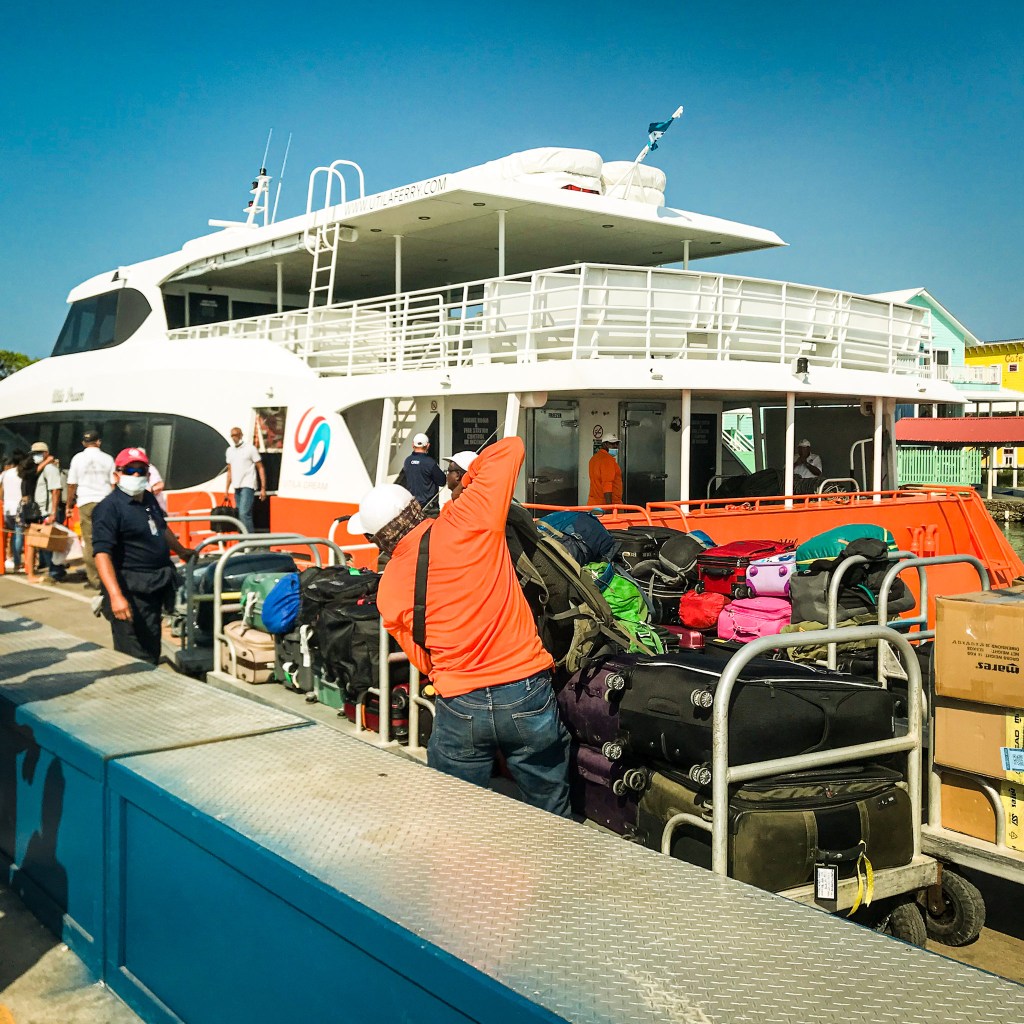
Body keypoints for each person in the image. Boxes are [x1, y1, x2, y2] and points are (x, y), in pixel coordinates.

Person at [351, 436, 571, 816]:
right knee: (549, 805)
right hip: (525, 689)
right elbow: (513, 447)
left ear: (376, 540)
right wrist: (466, 486)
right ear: (416, 509)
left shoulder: (389, 589)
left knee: (456, 814)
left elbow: (423, 659)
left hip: (459, 701)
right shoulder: (470, 517)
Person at [91, 447, 196, 665]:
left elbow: (161, 527)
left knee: (151, 645)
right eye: (130, 470)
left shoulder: (148, 499)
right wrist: (115, 596)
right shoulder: (109, 508)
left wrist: (181, 550)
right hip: (130, 589)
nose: (136, 475)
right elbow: (102, 554)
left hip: (154, 586)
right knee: (134, 655)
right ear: (117, 475)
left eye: (141, 470)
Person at [66, 430, 115, 590]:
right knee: (108, 538)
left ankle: (95, 579)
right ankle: (111, 576)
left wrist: (68, 504)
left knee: (89, 541)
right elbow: (114, 482)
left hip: (85, 501)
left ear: (83, 443)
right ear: (99, 442)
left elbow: (72, 484)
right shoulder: (108, 458)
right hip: (106, 501)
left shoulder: (77, 459)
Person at [29, 442, 66, 585]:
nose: (35, 456)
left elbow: (55, 491)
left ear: (45, 453)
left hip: (48, 510)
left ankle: (56, 571)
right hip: (42, 510)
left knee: (53, 543)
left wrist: (53, 512)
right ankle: (51, 568)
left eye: (37, 453)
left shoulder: (50, 469)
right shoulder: (40, 469)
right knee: (45, 542)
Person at [224, 426, 266, 533]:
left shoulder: (250, 449)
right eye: (232, 435)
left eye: (236, 435)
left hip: (248, 484)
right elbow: (230, 471)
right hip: (237, 485)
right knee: (240, 514)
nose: (234, 437)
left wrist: (263, 488)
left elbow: (260, 467)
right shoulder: (230, 451)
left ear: (241, 435)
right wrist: (226, 490)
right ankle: (243, 541)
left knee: (244, 513)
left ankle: (249, 540)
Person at [402, 433, 445, 510]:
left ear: (413, 445)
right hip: (429, 508)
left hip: (413, 508)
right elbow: (442, 481)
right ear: (428, 445)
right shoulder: (430, 462)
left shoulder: (407, 461)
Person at [1, 454, 23, 572]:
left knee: (8, 535)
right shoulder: (22, 473)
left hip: (6, 508)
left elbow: (1, 489)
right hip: (18, 508)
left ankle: (6, 558)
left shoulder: (5, 474)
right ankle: (17, 562)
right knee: (18, 535)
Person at [587, 434, 623, 506]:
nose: (615, 446)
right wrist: (609, 507)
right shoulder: (607, 460)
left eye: (617, 444)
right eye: (612, 444)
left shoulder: (593, 459)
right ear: (605, 444)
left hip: (593, 504)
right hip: (608, 504)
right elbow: (607, 484)